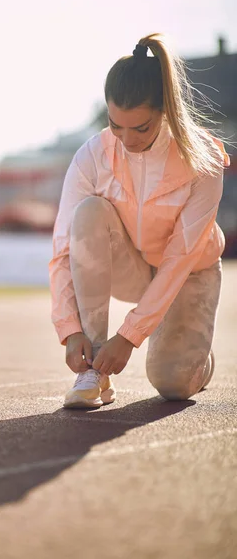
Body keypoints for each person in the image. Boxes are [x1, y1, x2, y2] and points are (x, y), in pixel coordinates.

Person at [49, 33, 229, 409]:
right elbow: (64, 248)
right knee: (88, 213)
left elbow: (180, 258)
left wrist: (130, 335)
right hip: (135, 265)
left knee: (173, 383)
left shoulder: (205, 160)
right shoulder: (92, 155)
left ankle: (199, 362)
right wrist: (71, 331)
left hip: (189, 274)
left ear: (166, 111)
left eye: (141, 128)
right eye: (116, 125)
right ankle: (94, 374)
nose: (126, 140)